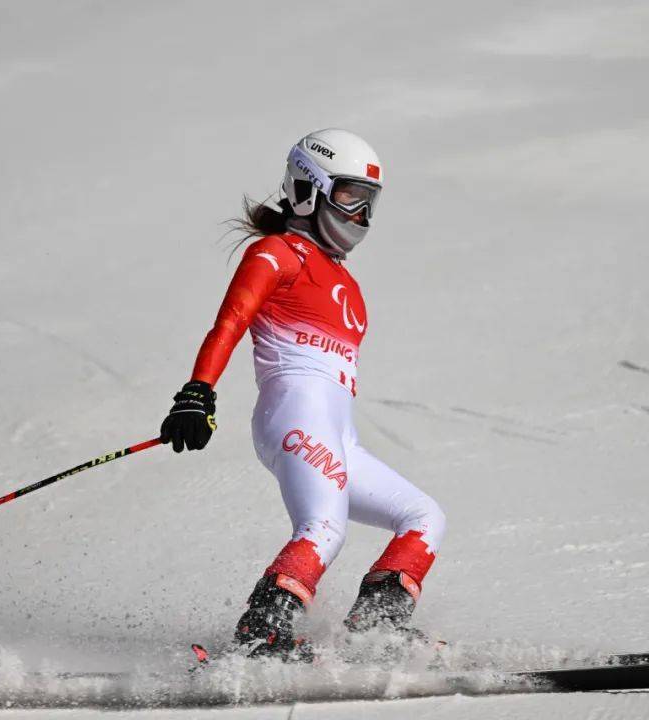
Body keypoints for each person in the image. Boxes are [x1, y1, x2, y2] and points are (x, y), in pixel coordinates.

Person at [160, 128, 446, 660]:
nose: (360, 214)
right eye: (348, 196)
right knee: (324, 527)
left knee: (424, 516)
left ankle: (375, 628)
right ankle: (261, 633)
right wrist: (197, 393)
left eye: (369, 201)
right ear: (307, 189)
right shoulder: (275, 253)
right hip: (294, 417)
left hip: (340, 436)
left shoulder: (349, 288)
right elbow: (229, 323)